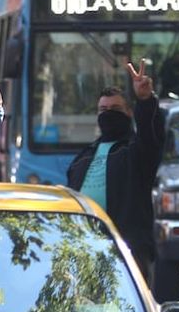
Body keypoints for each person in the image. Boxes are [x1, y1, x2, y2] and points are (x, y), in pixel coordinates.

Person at [66, 62, 165, 279]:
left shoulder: (136, 152)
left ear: (129, 113)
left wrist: (146, 100)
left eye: (116, 109)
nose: (108, 114)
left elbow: (151, 135)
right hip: (85, 249)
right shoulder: (83, 158)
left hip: (125, 250)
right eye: (103, 110)